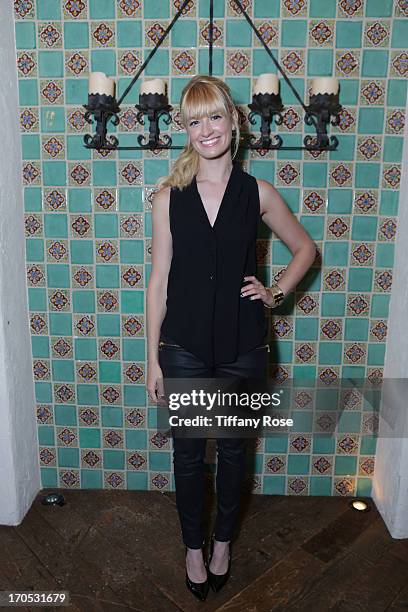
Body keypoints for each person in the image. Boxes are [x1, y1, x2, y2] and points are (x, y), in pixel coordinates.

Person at [146, 75, 316, 601]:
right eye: (195, 121)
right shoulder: (168, 197)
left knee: (236, 453)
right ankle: (193, 549)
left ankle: (223, 543)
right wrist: (152, 359)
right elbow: (158, 280)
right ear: (186, 130)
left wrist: (276, 293)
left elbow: (305, 249)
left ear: (234, 121)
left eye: (214, 116)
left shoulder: (258, 193)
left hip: (245, 347)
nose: (206, 129)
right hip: (184, 348)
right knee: (189, 456)